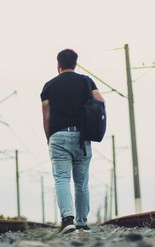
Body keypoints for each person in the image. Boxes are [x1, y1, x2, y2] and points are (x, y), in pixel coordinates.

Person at [40, 49, 105, 234]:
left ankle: (68, 220)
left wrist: (49, 137)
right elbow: (100, 101)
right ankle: (82, 223)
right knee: (81, 183)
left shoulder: (49, 86)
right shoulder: (86, 81)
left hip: (58, 136)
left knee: (61, 178)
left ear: (58, 64)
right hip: (81, 137)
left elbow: (46, 115)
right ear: (75, 64)